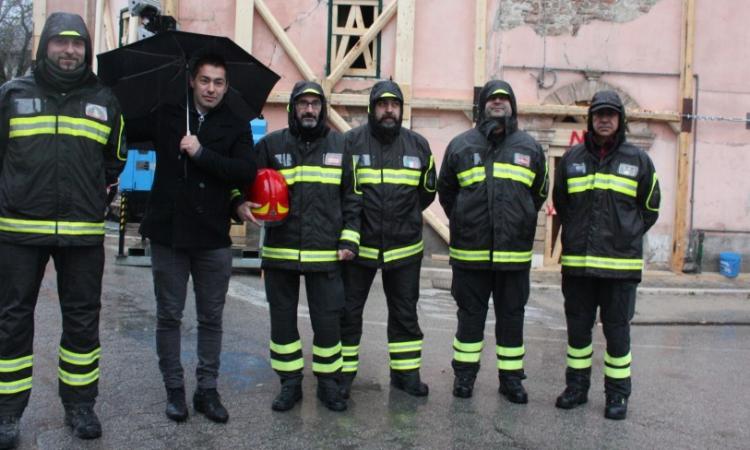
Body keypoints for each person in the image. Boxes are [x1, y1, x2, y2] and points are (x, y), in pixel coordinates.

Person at [0, 12, 126, 447]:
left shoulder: (105, 101)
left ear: (87, 50)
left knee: (82, 321)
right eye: (61, 42)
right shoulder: (11, 95)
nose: (70, 50)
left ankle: (79, 405)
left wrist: (95, 196)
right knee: (12, 320)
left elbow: (117, 158)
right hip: (18, 228)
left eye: (78, 44)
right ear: (45, 46)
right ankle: (6, 414)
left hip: (81, 232)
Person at [127, 54, 256, 424]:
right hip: (168, 231)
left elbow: (244, 170)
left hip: (213, 235)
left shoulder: (236, 124)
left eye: (218, 82)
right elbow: (127, 129)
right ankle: (174, 392)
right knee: (169, 315)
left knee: (211, 317)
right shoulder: (167, 115)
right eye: (204, 80)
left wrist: (201, 152)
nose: (211, 88)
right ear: (192, 82)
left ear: (226, 86)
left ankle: (207, 390)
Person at [239, 81, 359, 412]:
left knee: (328, 323)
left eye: (315, 104)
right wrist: (242, 202)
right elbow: (243, 179)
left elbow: (353, 197)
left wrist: (350, 237)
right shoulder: (270, 145)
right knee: (283, 324)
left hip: (326, 254)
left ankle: (328, 384)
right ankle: (290, 383)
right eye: (303, 103)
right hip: (281, 252)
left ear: (323, 108)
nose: (309, 109)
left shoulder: (341, 145)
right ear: (292, 108)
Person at [437, 80, 548, 402]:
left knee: (511, 318)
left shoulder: (529, 147)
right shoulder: (461, 146)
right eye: (492, 99)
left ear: (513, 105)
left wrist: (522, 217)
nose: (498, 103)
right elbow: (447, 193)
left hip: (513, 256)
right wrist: (462, 217)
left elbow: (539, 192)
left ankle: (511, 380)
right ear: (482, 105)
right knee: (469, 318)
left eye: (504, 98)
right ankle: (464, 377)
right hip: (470, 254)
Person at [552, 90, 660, 420]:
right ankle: (577, 388)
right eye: (599, 113)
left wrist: (626, 233)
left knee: (617, 335)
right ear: (590, 118)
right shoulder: (571, 159)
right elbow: (563, 205)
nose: (604, 119)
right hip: (579, 268)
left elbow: (651, 207)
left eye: (611, 114)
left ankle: (617, 395)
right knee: (578, 335)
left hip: (620, 269)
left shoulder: (638, 160)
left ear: (620, 120)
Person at [339, 80, 436, 398]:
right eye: (382, 104)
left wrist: (404, 217)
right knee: (349, 312)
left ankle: (405, 374)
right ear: (372, 108)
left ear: (401, 109)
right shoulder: (350, 143)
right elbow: (343, 191)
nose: (389, 110)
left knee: (405, 314)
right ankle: (343, 373)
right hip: (359, 247)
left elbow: (427, 192)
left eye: (394, 104)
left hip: (404, 247)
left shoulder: (419, 145)